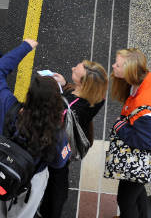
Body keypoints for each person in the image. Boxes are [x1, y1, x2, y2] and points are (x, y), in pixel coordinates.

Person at [0, 39, 71, 218]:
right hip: (29, 181)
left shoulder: (9, 107)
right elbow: (59, 162)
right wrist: (63, 89)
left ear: (29, 95)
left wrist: (25, 47)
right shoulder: (56, 132)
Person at [39, 60, 109, 218]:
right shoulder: (98, 97)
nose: (72, 68)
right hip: (72, 144)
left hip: (57, 149)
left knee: (56, 181)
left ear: (83, 84)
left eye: (75, 72)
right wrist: (65, 84)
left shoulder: (67, 107)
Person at [110, 48, 151, 218]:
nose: (114, 66)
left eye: (118, 65)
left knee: (125, 200)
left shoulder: (144, 105)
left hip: (147, 153)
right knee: (137, 189)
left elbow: (150, 141)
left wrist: (121, 127)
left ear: (129, 71)